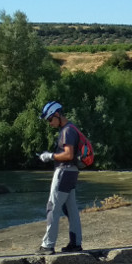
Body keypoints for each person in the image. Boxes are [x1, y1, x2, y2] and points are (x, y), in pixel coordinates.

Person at [35, 101, 83, 255]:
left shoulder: (66, 131)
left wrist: (50, 156)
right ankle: (76, 244)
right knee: (71, 209)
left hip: (63, 172)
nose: (49, 123)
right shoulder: (72, 128)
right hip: (72, 172)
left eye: (50, 119)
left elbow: (68, 154)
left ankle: (47, 245)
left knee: (52, 207)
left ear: (57, 115)